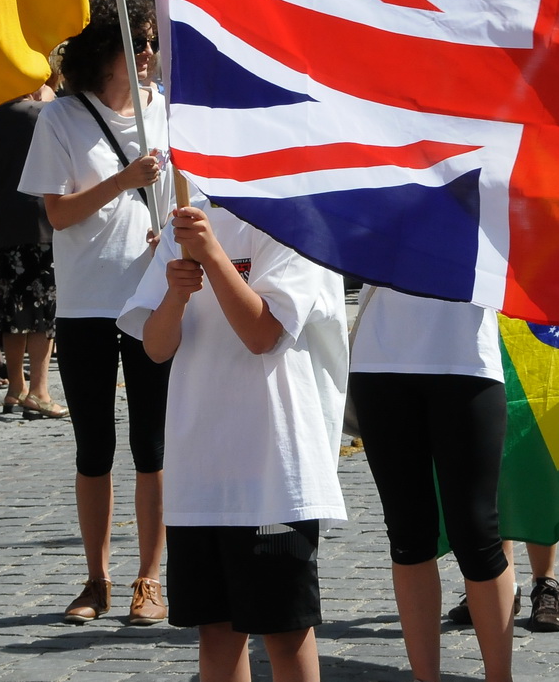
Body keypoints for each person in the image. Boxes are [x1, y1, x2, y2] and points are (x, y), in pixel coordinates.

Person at [121, 201, 348, 682]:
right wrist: (176, 297)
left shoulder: (297, 222)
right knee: (215, 631)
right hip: (201, 467)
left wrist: (213, 255)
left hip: (275, 469)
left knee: (285, 630)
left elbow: (262, 334)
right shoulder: (185, 219)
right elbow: (156, 347)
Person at [19, 0, 171, 626]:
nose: (147, 54)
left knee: (153, 445)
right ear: (104, 51)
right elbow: (57, 211)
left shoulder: (168, 111)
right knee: (94, 446)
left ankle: (149, 578)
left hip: (153, 295)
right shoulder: (62, 120)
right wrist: (122, 181)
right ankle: (97, 577)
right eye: (136, 42)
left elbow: (189, 191)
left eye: (152, 42)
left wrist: (181, 232)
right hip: (86, 300)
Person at [348, 286, 515, 680]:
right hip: (381, 361)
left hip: (466, 358)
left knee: (477, 534)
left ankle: (499, 677)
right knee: (408, 536)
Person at [0, 83, 62, 417]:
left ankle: (15, 388)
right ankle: (38, 389)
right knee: (42, 309)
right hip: (42, 219)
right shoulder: (45, 113)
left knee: (12, 307)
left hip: (3, 221)